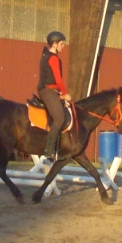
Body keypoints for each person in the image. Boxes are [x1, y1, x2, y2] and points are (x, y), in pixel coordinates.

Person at [37, 31, 72, 160]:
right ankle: (49, 150)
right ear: (54, 44)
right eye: (61, 44)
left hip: (51, 90)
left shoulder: (47, 55)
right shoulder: (53, 58)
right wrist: (65, 94)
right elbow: (58, 80)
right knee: (59, 118)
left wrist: (59, 94)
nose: (63, 46)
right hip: (48, 91)